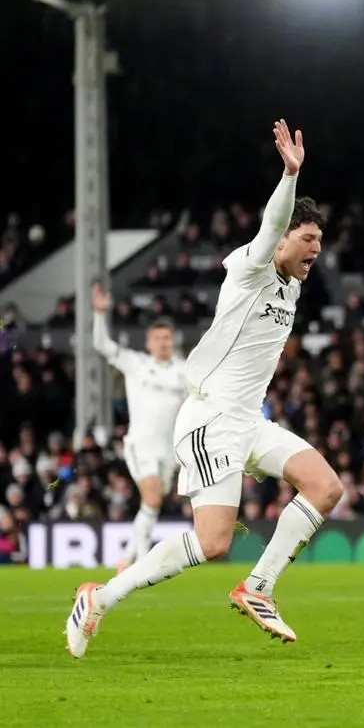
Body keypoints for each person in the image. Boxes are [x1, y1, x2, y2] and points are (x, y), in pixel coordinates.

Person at [65, 120, 343, 658]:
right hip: (211, 421)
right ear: (284, 238)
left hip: (248, 420)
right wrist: (288, 177)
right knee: (213, 542)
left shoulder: (290, 286)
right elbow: (269, 227)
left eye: (320, 244)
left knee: (326, 487)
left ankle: (258, 587)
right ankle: (100, 597)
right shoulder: (250, 268)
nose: (315, 251)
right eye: (308, 240)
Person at [91, 283, 187, 573]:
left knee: (153, 505)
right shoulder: (136, 363)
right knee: (152, 496)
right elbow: (102, 346)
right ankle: (143, 562)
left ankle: (127, 558)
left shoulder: (184, 371)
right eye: (157, 338)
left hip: (169, 450)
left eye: (167, 338)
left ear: (173, 341)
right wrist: (98, 314)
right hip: (141, 445)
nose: (162, 343)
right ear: (149, 342)